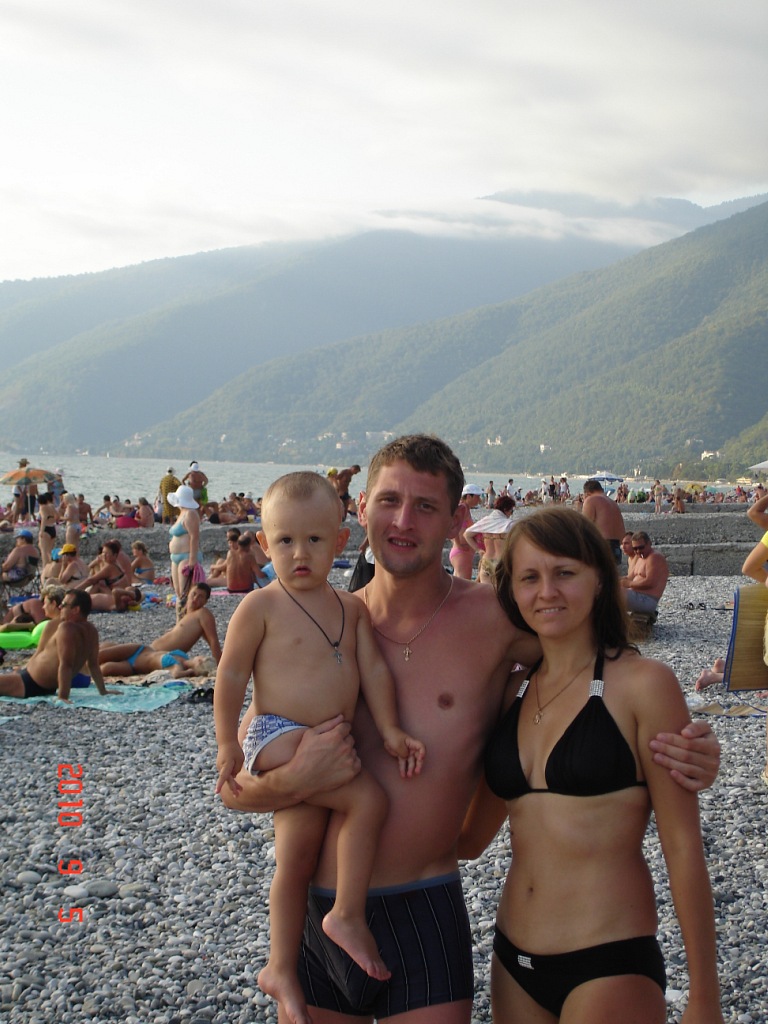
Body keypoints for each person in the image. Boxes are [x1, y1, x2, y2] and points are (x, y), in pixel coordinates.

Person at [217, 434, 721, 1024]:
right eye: (390, 501)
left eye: (426, 506)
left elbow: (589, 662)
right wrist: (294, 779)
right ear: (361, 510)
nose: (404, 521)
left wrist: (686, 742)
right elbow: (237, 784)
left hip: (427, 902)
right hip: (320, 908)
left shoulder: (496, 621)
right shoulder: (320, 627)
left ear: (457, 520)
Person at [462, 507, 722, 1022]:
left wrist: (705, 998)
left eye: (565, 572)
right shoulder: (512, 690)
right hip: (512, 959)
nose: (547, 592)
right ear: (511, 589)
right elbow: (469, 841)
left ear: (600, 580)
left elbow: (683, 848)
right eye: (529, 578)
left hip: (607, 960)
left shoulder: (645, 685)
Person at [215, 472, 425, 1024]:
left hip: (321, 740)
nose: (300, 553)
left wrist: (390, 729)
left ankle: (281, 966)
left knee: (297, 857)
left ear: (340, 540)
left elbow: (373, 672)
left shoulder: (350, 608)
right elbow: (230, 676)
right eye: (285, 541)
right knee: (368, 801)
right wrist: (226, 742)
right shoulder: (260, 606)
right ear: (265, 545)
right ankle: (346, 915)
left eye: (314, 539)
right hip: (276, 733)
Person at [0, 590, 109, 702]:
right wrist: (103, 691)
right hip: (40, 683)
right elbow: (93, 665)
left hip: (30, 681)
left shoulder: (66, 628)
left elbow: (66, 665)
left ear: (76, 610)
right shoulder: (91, 630)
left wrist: (62, 697)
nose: (60, 607)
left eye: (64, 604)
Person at [99, 582, 221, 671]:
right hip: (149, 652)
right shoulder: (187, 615)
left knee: (105, 665)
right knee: (105, 647)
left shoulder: (203, 614)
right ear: (189, 593)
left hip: (157, 657)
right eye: (194, 594)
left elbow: (213, 641)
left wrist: (219, 666)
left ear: (205, 602)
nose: (195, 599)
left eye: (200, 597)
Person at [168, 485, 203, 618]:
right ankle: (180, 622)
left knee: (185, 592)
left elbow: (194, 537)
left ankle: (186, 621)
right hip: (176, 557)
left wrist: (192, 560)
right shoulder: (182, 513)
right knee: (178, 592)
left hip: (187, 556)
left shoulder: (190, 514)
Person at [465, 496, 515, 585]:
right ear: (505, 509)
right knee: (502, 592)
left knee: (485, 591)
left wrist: (478, 550)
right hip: (501, 562)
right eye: (511, 511)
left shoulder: (485, 521)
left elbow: (467, 535)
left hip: (486, 561)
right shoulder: (510, 525)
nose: (510, 514)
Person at [620, 532, 669, 616]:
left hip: (648, 599)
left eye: (641, 547)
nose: (638, 551)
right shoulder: (641, 557)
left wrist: (629, 584)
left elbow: (650, 582)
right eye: (635, 549)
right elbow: (629, 577)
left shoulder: (654, 557)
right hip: (637, 595)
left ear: (649, 543)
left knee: (610, 592)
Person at [581, 479, 626, 565]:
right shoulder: (613, 503)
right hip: (616, 547)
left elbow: (584, 527)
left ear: (587, 493)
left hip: (601, 545)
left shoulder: (591, 500)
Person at [449, 483, 483, 578]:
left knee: (457, 583)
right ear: (468, 496)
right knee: (464, 583)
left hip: (461, 552)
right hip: (462, 553)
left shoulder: (465, 508)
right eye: (477, 497)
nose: (479, 500)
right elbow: (452, 525)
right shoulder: (463, 508)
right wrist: (458, 544)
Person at [37, 492, 58, 567]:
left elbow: (44, 518)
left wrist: (41, 531)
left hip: (46, 529)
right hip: (52, 528)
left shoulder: (42, 507)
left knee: (44, 551)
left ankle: (45, 567)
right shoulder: (51, 506)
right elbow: (57, 516)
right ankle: (51, 565)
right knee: (49, 551)